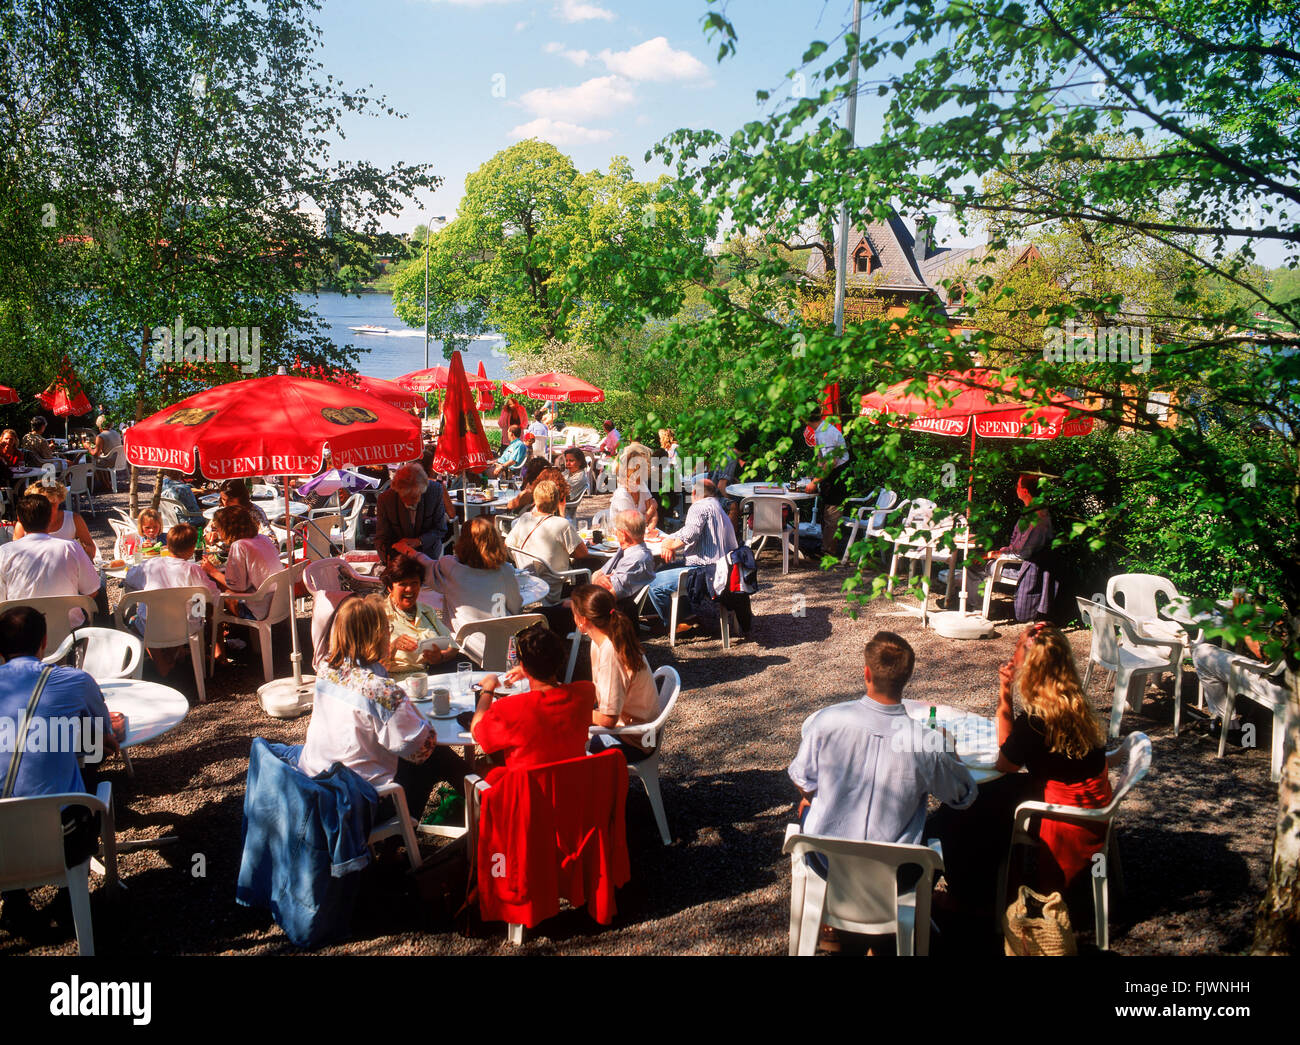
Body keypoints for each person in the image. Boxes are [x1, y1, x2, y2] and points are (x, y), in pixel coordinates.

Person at [931, 623, 1112, 910]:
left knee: (962, 810)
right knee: (974, 802)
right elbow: (1011, 753)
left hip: (1062, 809)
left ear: (1030, 665)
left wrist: (1005, 691)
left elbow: (1005, 762)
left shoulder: (1037, 719)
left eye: (1017, 646)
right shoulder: (1072, 699)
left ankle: (963, 898)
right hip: (1086, 798)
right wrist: (1007, 691)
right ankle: (974, 882)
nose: (1012, 652)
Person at [789, 632, 976, 886]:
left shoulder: (826, 722)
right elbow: (964, 796)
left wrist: (809, 797)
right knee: (946, 823)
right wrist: (948, 748)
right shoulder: (926, 743)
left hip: (826, 862)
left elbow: (802, 777)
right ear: (907, 678)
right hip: (894, 873)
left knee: (809, 808)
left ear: (867, 674)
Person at [299, 596, 466, 821]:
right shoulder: (381, 690)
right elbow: (420, 749)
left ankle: (485, 798)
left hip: (315, 786)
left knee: (430, 755)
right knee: (434, 757)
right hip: (357, 801)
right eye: (387, 628)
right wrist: (418, 716)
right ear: (377, 635)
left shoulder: (327, 670)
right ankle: (400, 841)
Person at [0, 607, 116, 904]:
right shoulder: (75, 680)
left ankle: (14, 898)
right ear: (45, 641)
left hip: (4, 845)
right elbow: (106, 735)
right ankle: (70, 892)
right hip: (64, 839)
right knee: (91, 751)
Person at [471, 623, 596, 781]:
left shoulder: (509, 709)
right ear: (560, 659)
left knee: (477, 769)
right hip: (572, 790)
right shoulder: (585, 693)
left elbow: (477, 733)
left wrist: (487, 690)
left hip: (527, 798)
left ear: (522, 664)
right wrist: (530, 670)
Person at [572, 585, 659, 761]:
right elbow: (598, 690)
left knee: (565, 748)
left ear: (582, 621)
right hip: (635, 731)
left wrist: (574, 713)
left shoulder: (610, 652)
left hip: (634, 740)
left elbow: (608, 720)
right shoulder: (602, 640)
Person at [648, 478, 744, 635]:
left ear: (694, 492)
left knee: (653, 582)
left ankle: (674, 623)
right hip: (725, 570)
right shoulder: (716, 506)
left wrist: (671, 545)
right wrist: (669, 539)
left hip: (706, 572)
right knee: (664, 568)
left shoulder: (699, 506)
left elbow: (690, 533)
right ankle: (688, 615)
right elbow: (688, 530)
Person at [423, 517, 522, 646]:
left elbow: (427, 565)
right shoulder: (505, 570)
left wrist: (410, 551)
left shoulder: (450, 567)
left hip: (463, 646)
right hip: (501, 644)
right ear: (495, 540)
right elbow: (516, 608)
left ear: (462, 541)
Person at [201, 505, 283, 660]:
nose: (218, 532)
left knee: (213, 597)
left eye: (219, 529)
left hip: (258, 608)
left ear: (227, 528)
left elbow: (237, 586)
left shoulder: (239, 546)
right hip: (278, 602)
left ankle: (218, 653)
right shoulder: (263, 539)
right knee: (219, 589)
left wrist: (211, 571)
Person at [0, 494, 99, 605]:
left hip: (21, 621)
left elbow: (2, 601)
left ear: (19, 520)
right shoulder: (70, 548)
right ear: (51, 517)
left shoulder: (4, 552)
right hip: (68, 621)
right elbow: (92, 592)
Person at [506, 477, 588, 607]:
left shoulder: (525, 518)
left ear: (535, 500)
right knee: (590, 566)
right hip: (555, 588)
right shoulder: (562, 524)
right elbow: (583, 553)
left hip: (528, 583)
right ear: (557, 501)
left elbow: (508, 545)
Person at [988, 473, 1056, 622]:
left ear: (1025, 491)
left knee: (986, 566)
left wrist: (994, 555)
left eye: (1018, 486)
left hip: (1029, 568)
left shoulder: (1038, 518)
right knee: (981, 562)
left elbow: (1022, 553)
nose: (1016, 489)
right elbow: (1016, 544)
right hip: (1020, 560)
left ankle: (986, 607)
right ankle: (981, 604)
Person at [377, 554, 457, 678]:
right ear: (389, 587)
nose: (409, 589)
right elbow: (372, 666)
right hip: (399, 684)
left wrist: (440, 657)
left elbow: (452, 647)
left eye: (414, 583)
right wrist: (393, 646)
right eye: (403, 584)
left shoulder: (427, 611)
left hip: (433, 678)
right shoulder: (379, 616)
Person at [375, 463, 449, 564]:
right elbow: (382, 537)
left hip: (428, 554)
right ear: (397, 491)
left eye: (414, 497)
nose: (409, 502)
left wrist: (419, 541)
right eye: (405, 497)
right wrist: (388, 559)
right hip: (398, 557)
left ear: (422, 491)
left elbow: (440, 529)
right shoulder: (386, 499)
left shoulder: (435, 491)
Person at [803, 407, 851, 556]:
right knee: (826, 514)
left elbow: (830, 463)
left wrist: (814, 482)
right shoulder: (820, 431)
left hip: (838, 477)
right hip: (831, 476)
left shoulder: (826, 433)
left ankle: (829, 552)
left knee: (832, 516)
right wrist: (814, 475)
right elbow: (822, 459)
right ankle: (824, 547)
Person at [592, 509, 656, 614]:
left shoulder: (636, 560)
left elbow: (607, 597)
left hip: (609, 614)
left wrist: (597, 580)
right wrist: (598, 580)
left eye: (616, 530)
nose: (615, 533)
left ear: (623, 534)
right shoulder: (625, 550)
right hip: (601, 600)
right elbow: (596, 575)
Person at [15, 481, 98, 562]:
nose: (48, 509)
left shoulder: (73, 519)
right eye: (42, 505)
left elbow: (90, 547)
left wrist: (83, 552)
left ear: (60, 500)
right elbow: (16, 555)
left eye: (52, 504)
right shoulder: (23, 524)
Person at [609, 442, 659, 532]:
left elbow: (654, 514)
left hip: (641, 535)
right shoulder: (622, 494)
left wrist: (651, 527)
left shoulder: (642, 485)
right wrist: (651, 509)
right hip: (623, 538)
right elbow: (634, 526)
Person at [81, 416, 123, 491]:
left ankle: (105, 484)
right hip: (120, 461)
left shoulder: (101, 436)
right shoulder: (116, 433)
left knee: (95, 460)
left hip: (110, 462)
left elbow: (95, 454)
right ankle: (107, 483)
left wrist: (88, 447)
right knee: (101, 459)